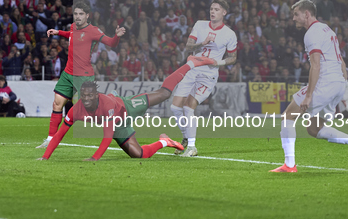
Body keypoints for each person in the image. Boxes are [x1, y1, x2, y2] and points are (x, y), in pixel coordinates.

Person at [38, 56, 216, 161]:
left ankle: (191, 63)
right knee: (138, 155)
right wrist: (45, 157)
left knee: (163, 94)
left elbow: (107, 137)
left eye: (90, 96)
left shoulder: (105, 105)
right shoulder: (75, 110)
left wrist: (94, 158)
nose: (87, 99)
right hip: (117, 123)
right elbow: (60, 134)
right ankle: (165, 142)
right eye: (84, 96)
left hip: (126, 107)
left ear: (96, 95)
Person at [270, 0, 348, 173]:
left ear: (306, 14)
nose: (293, 18)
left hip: (325, 82)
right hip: (337, 82)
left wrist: (308, 96)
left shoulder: (311, 33)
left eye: (296, 14)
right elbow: (341, 61)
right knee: (314, 128)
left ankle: (289, 165)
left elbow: (316, 65)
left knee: (288, 117)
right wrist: (344, 90)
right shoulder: (327, 29)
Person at [36, 1, 125, 149]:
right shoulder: (72, 27)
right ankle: (50, 139)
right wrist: (58, 32)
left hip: (83, 75)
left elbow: (111, 43)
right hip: (67, 73)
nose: (77, 17)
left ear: (87, 16)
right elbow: (72, 35)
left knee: (90, 115)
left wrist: (117, 36)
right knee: (57, 104)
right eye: (75, 14)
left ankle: (111, 99)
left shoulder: (94, 31)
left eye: (81, 14)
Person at [170, 0, 238, 157]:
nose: (212, 12)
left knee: (188, 107)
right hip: (192, 69)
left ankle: (192, 147)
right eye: (211, 9)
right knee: (174, 108)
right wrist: (203, 42)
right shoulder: (200, 25)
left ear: (224, 13)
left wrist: (217, 62)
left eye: (216, 9)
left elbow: (232, 57)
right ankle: (186, 137)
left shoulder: (229, 34)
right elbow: (188, 46)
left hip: (208, 75)